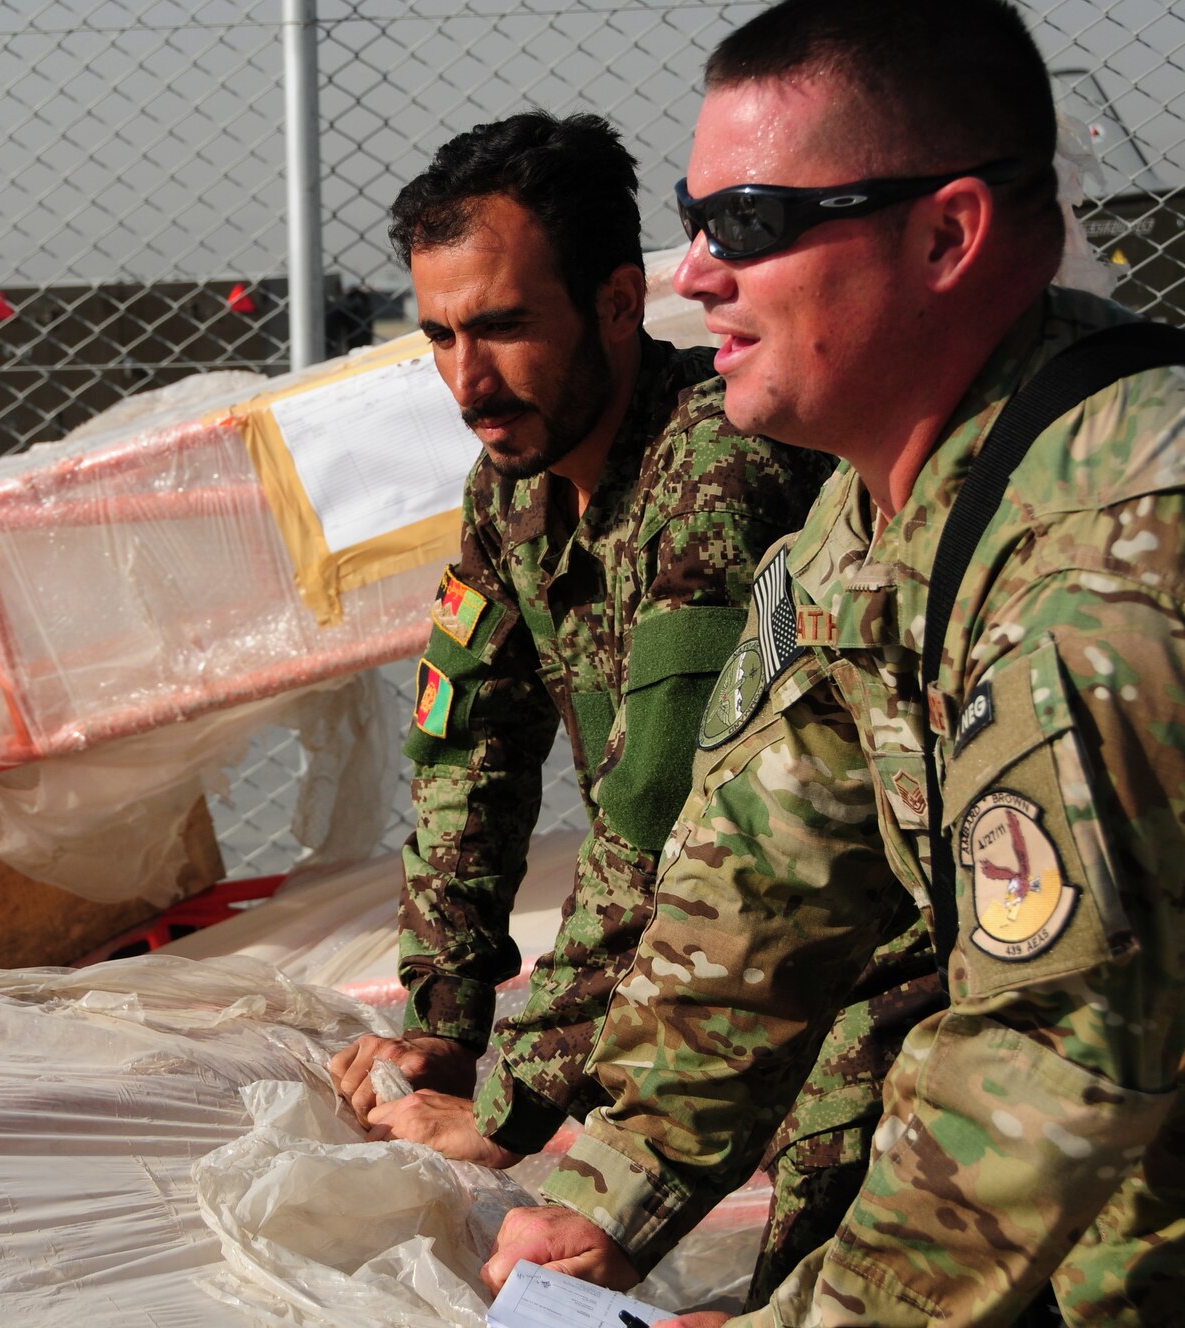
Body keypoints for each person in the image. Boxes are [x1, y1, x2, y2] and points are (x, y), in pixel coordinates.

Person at [483, 2, 1185, 1325]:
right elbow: (761, 876)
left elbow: (1041, 1058)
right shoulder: (886, 507)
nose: (695, 271)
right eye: (689, 212)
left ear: (947, 234)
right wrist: (613, 1192)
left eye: (750, 222)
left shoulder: (1144, 554)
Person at [326, 111, 939, 1306]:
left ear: (615, 302)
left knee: (827, 1259)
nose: (467, 380)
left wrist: (509, 1101)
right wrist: (440, 1018)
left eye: (503, 326)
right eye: (440, 334)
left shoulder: (715, 473)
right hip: (719, 949)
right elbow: (466, 747)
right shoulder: (511, 486)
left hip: (847, 951)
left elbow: (657, 822)